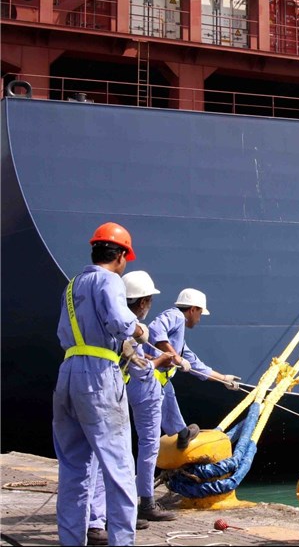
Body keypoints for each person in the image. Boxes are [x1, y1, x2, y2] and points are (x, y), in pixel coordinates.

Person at [53, 222, 147, 546]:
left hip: (67, 372)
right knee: (119, 469)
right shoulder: (110, 280)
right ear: (120, 255)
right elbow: (120, 322)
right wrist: (140, 331)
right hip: (98, 376)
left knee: (73, 469)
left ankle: (70, 541)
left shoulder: (72, 285)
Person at [119, 270, 186, 521]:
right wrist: (160, 360)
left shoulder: (116, 319)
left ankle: (111, 508)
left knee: (118, 448)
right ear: (143, 302)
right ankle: (145, 503)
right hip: (142, 390)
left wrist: (149, 356)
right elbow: (141, 368)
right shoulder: (134, 325)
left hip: (119, 389)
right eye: (149, 301)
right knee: (148, 445)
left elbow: (131, 355)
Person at [147, 288, 241, 455]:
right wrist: (177, 358)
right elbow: (155, 329)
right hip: (147, 381)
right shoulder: (176, 316)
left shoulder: (179, 342)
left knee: (168, 396)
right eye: (200, 313)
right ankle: (181, 434)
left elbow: (197, 366)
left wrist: (224, 379)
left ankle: (183, 433)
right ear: (192, 309)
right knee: (149, 436)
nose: (199, 319)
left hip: (157, 383)